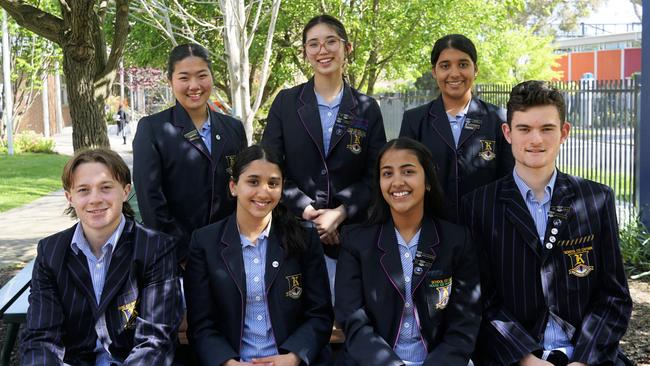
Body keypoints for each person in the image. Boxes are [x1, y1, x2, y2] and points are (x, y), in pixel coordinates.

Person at [462, 81, 633, 366]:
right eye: (524, 129)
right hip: (516, 357)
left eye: (547, 129)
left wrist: (584, 360)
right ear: (508, 133)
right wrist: (526, 360)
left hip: (587, 356)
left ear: (564, 132)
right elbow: (480, 299)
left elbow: (613, 295)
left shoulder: (596, 199)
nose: (536, 140)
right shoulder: (479, 206)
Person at [262, 14, 386, 298]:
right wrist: (310, 212)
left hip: (352, 235)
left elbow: (375, 173)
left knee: (348, 321)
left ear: (347, 48)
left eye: (331, 42)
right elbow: (271, 168)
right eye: (314, 44)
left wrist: (340, 213)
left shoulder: (366, 108)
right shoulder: (286, 103)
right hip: (295, 232)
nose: (323, 51)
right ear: (305, 52)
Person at [21, 148, 182, 365]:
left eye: (106, 188)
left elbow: (156, 339)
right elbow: (41, 337)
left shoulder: (156, 248)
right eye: (84, 190)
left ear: (126, 192)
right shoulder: (51, 252)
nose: (95, 199)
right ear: (70, 197)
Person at [335, 138, 481, 366]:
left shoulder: (456, 241)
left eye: (408, 171)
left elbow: (464, 324)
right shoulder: (356, 241)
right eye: (387, 173)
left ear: (428, 180)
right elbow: (353, 322)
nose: (397, 182)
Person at [184, 145, 333, 366]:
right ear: (234, 186)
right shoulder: (205, 242)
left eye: (273, 183)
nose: (263, 192)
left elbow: (319, 314)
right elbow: (201, 324)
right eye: (253, 182)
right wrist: (228, 363)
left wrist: (292, 358)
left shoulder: (304, 238)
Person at [133, 43, 247, 261]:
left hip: (229, 250)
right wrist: (184, 253)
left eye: (202, 75)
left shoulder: (233, 128)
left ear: (212, 77)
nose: (194, 85)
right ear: (170, 81)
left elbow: (243, 189)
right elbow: (151, 200)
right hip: (177, 256)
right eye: (184, 78)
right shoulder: (153, 129)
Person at [400, 34, 513, 223]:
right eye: (445, 66)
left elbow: (510, 181)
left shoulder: (499, 120)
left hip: (486, 231)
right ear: (434, 71)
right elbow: (406, 180)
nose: (454, 74)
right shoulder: (415, 120)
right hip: (432, 232)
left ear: (475, 69)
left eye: (463, 64)